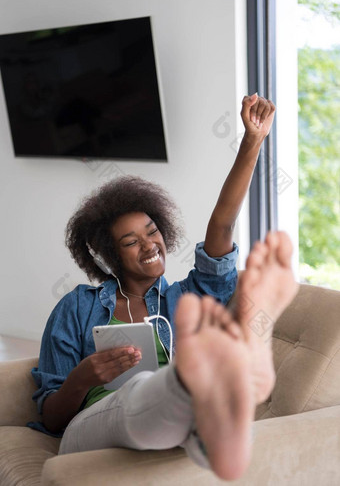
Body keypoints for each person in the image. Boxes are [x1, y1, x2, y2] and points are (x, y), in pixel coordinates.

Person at [30, 94, 297, 481]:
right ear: (109, 257)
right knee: (143, 389)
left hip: (168, 425)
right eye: (131, 242)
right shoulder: (76, 308)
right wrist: (83, 378)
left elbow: (221, 225)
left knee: (172, 408)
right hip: (90, 428)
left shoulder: (187, 297)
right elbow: (51, 419)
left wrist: (252, 141)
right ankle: (211, 384)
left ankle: (209, 408)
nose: (149, 244)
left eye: (152, 232)